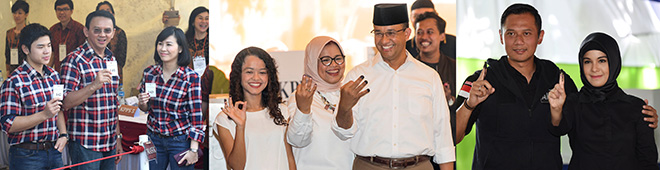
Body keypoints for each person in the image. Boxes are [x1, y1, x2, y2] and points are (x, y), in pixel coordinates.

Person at [454, 3, 658, 169]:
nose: (518, 41)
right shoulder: (480, 80)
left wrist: (639, 116)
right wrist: (469, 106)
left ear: (540, 36)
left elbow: (589, 114)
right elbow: (452, 137)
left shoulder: (557, 79)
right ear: (501, 36)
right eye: (511, 33)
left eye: (527, 33)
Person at [332, 3, 455, 170]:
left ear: (407, 33)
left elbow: (443, 137)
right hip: (370, 165)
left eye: (391, 33)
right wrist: (344, 108)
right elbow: (343, 133)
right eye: (378, 33)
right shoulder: (357, 76)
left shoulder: (429, 77)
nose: (384, 41)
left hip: (418, 165)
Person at [548, 32, 658, 170]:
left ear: (614, 61)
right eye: (587, 61)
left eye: (602, 60)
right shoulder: (574, 102)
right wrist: (556, 109)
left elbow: (648, 160)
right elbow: (558, 128)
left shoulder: (637, 107)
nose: (594, 69)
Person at [214, 47, 296, 170]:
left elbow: (289, 158)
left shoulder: (282, 111)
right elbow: (236, 166)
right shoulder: (225, 118)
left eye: (262, 72)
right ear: (239, 75)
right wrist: (240, 127)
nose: (256, 78)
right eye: (249, 72)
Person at [0, 23, 68, 170]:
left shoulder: (54, 76)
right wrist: (44, 114)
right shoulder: (14, 82)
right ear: (25, 49)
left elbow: (59, 109)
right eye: (40, 47)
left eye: (49, 45)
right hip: (26, 155)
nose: (47, 51)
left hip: (54, 150)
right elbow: (8, 124)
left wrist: (63, 134)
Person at [60, 10, 121, 170]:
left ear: (113, 33)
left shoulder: (111, 59)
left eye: (107, 30)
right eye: (97, 30)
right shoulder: (74, 60)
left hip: (110, 142)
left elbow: (113, 102)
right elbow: (65, 103)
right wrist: (93, 86)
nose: (102, 35)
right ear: (86, 31)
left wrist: (118, 137)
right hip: (85, 143)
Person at [137, 27, 204, 169]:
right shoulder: (150, 73)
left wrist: (193, 149)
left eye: (169, 44)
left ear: (180, 48)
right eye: (160, 44)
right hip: (154, 139)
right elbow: (146, 108)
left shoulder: (190, 77)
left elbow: (196, 116)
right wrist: (142, 103)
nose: (163, 49)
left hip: (180, 141)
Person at [286, 36, 354, 169]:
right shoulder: (301, 96)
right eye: (326, 60)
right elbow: (298, 140)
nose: (334, 65)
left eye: (338, 58)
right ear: (312, 62)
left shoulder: (349, 93)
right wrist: (303, 109)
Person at [413, 11, 456, 142]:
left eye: (430, 32)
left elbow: (463, 108)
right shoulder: (407, 68)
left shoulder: (454, 67)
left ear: (442, 36)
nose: (424, 37)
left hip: (447, 140)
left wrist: (448, 100)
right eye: (419, 32)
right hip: (417, 141)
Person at [49, 0, 86, 72]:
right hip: (58, 71)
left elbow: (83, 54)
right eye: (59, 9)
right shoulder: (53, 29)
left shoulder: (79, 29)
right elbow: (52, 53)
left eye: (65, 9)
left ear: (72, 11)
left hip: (75, 71)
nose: (62, 12)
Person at [96, 1, 127, 84]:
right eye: (102, 11)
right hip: (95, 74)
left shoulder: (119, 32)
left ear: (113, 14)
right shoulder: (93, 33)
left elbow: (121, 60)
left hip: (114, 74)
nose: (105, 14)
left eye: (108, 11)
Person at [5, 0, 29, 77]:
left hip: (26, 70)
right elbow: (7, 53)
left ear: (26, 14)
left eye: (20, 13)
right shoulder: (9, 33)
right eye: (14, 13)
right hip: (12, 70)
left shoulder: (29, 31)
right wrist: (8, 71)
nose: (16, 16)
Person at [185, 6, 209, 75]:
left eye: (207, 19)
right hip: (188, 78)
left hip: (209, 81)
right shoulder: (185, 40)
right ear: (192, 22)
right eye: (200, 18)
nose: (204, 21)